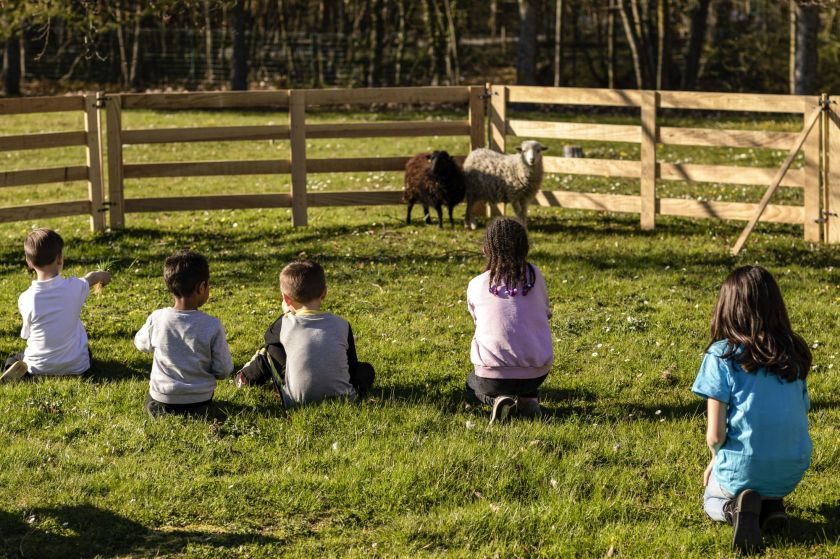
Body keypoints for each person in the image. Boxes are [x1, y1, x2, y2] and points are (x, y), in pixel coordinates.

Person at [693, 266, 812, 554]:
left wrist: (714, 460)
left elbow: (715, 434)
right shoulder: (793, 353)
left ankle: (735, 509)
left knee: (711, 498)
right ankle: (772, 504)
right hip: (792, 467)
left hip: (741, 468)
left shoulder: (722, 355)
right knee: (762, 472)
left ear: (726, 307)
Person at [234, 259, 375, 408]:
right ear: (324, 292)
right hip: (345, 399)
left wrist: (287, 313)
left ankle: (246, 378)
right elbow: (351, 366)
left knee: (268, 352)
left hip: (293, 400)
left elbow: (269, 339)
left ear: (286, 299)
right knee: (366, 370)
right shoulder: (342, 324)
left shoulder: (284, 324)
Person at [465, 217, 553, 423]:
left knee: (471, 384)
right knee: (524, 363)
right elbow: (546, 311)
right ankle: (529, 400)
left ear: (486, 249)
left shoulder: (477, 284)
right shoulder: (535, 276)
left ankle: (497, 400)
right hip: (537, 373)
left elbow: (477, 320)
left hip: (492, 374)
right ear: (525, 248)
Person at [1, 228, 111, 382]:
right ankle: (71, 362)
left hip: (38, 367)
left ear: (29, 262)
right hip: (78, 368)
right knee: (86, 351)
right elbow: (91, 278)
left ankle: (15, 371)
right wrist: (104, 275)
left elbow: (27, 335)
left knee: (15, 358)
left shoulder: (26, 298)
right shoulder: (75, 287)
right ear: (60, 259)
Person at [134, 249, 233, 416]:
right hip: (199, 401)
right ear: (201, 287)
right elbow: (223, 370)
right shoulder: (212, 325)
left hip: (161, 399)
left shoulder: (157, 318)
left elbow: (140, 344)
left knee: (154, 404)